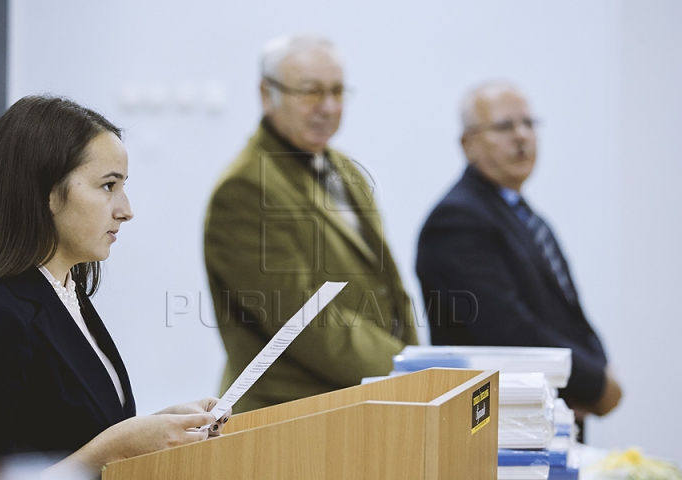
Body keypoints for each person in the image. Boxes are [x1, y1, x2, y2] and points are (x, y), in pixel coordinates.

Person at [0, 96, 229, 476]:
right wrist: (115, 448)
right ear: (48, 193)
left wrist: (157, 428)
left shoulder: (70, 295)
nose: (126, 209)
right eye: (108, 186)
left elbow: (65, 433)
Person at [204, 34, 418, 413]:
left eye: (337, 91)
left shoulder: (347, 169)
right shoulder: (245, 188)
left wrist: (417, 365)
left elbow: (389, 287)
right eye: (310, 92)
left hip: (364, 401)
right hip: (291, 418)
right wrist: (408, 368)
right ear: (266, 94)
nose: (329, 107)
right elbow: (304, 321)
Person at [415, 83, 622, 422]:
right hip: (498, 429)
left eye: (529, 123)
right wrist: (593, 382)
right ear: (468, 144)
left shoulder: (521, 213)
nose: (522, 136)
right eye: (504, 126)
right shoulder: (457, 221)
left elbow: (567, 312)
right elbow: (506, 329)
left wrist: (600, 365)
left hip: (545, 419)